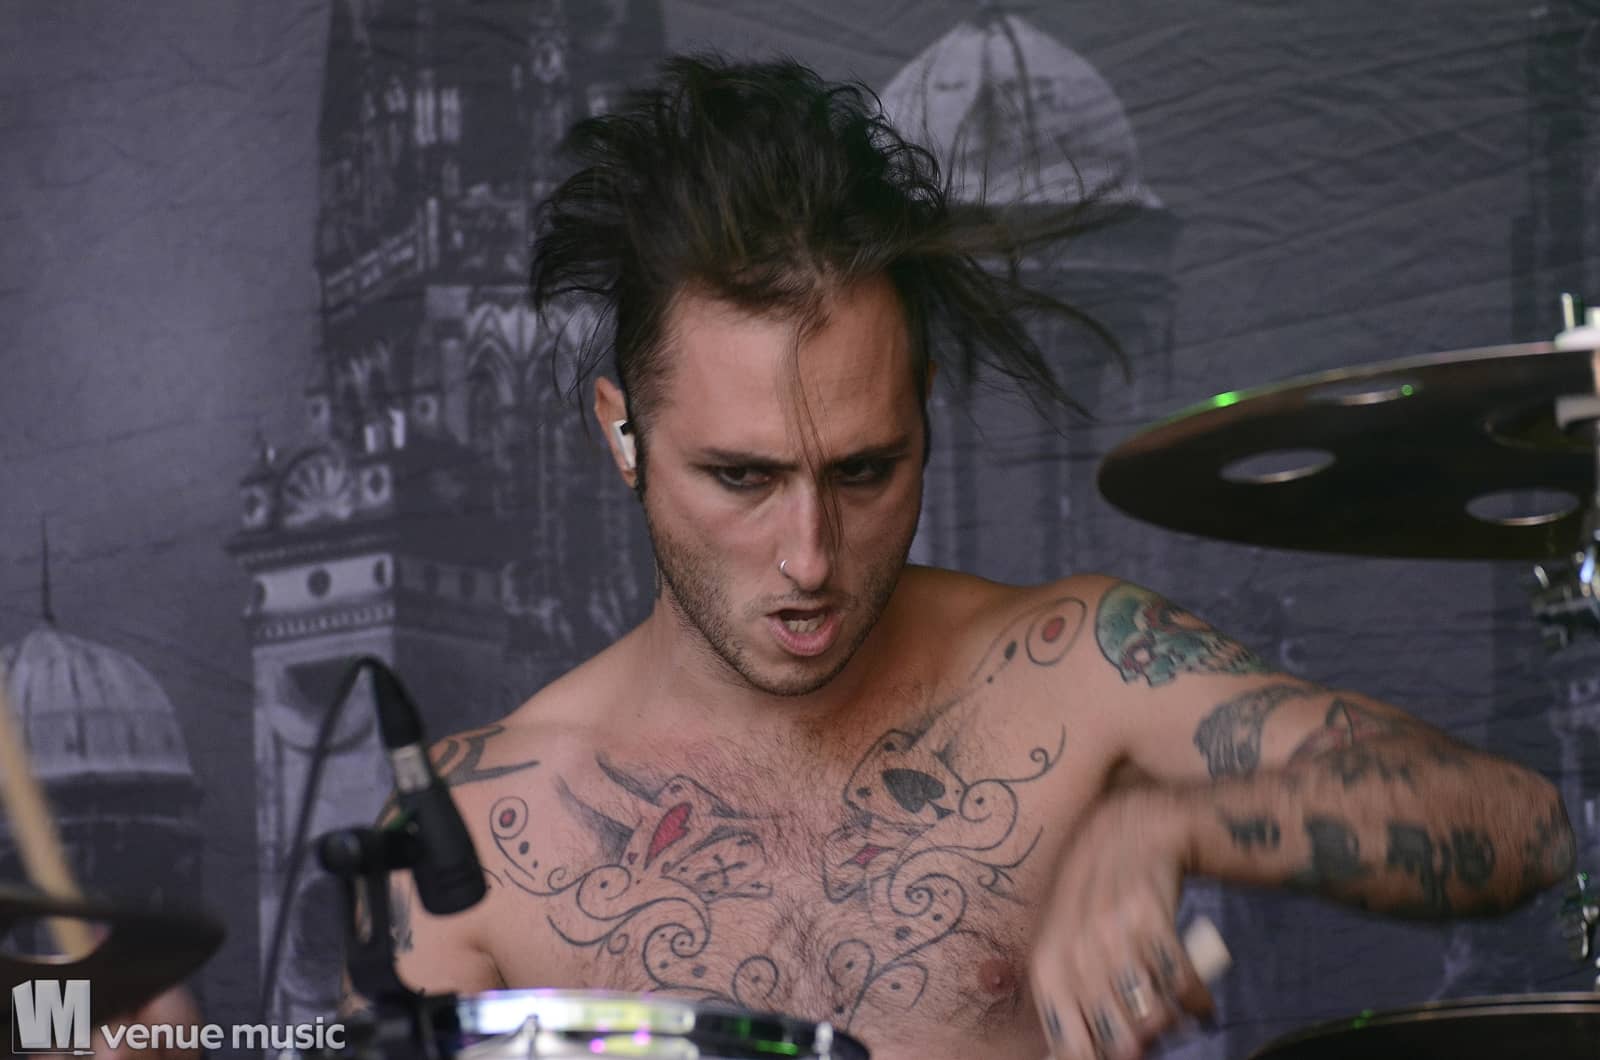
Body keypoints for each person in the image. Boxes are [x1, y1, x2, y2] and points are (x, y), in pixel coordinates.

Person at [364, 55, 1577, 1060]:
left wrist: (1187, 825)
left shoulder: (1074, 668)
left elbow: (1517, 825)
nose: (809, 557)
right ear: (622, 433)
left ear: (924, 411)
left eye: (864, 471)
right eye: (742, 478)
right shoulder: (472, 839)